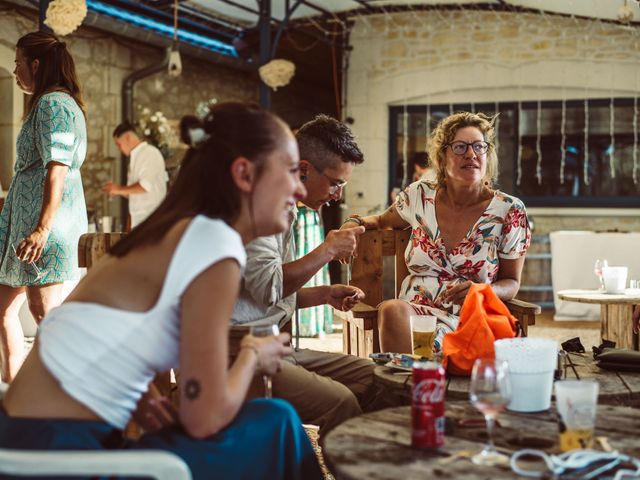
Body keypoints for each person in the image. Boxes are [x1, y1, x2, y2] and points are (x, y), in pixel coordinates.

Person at [0, 102, 322, 480]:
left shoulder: (171, 232)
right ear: (244, 174)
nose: (300, 189)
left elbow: (78, 328)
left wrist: (135, 393)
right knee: (278, 420)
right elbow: (204, 418)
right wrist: (251, 354)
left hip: (24, 440)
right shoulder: (216, 243)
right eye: (290, 172)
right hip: (61, 457)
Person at [232, 114, 387, 434]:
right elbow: (269, 288)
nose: (338, 195)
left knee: (376, 377)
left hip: (276, 345)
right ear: (303, 169)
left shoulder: (286, 207)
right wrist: (328, 249)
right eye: (335, 182)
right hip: (240, 353)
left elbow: (263, 295)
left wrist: (324, 294)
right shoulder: (260, 206)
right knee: (340, 401)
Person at [342, 112, 531, 354]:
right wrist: (352, 222)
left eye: (479, 147)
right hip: (416, 317)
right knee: (391, 309)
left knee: (455, 351)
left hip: (474, 317)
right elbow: (380, 219)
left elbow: (512, 282)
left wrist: (483, 290)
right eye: (460, 147)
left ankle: (420, 382)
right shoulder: (418, 196)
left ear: (487, 155)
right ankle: (407, 385)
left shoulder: (509, 210)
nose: (471, 154)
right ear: (442, 157)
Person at [0, 32, 88, 382]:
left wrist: (41, 228)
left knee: (46, 315)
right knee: (4, 310)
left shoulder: (55, 104)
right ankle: (13, 393)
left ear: (36, 64)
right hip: (24, 229)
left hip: (44, 228)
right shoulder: (46, 104)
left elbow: (58, 167)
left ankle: (72, 393)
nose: (15, 70)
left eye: (18, 62)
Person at [102, 122, 167, 228]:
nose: (119, 149)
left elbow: (145, 186)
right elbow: (135, 192)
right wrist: (116, 191)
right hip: (139, 222)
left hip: (152, 219)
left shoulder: (149, 153)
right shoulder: (136, 157)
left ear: (128, 137)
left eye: (118, 144)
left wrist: (118, 189)